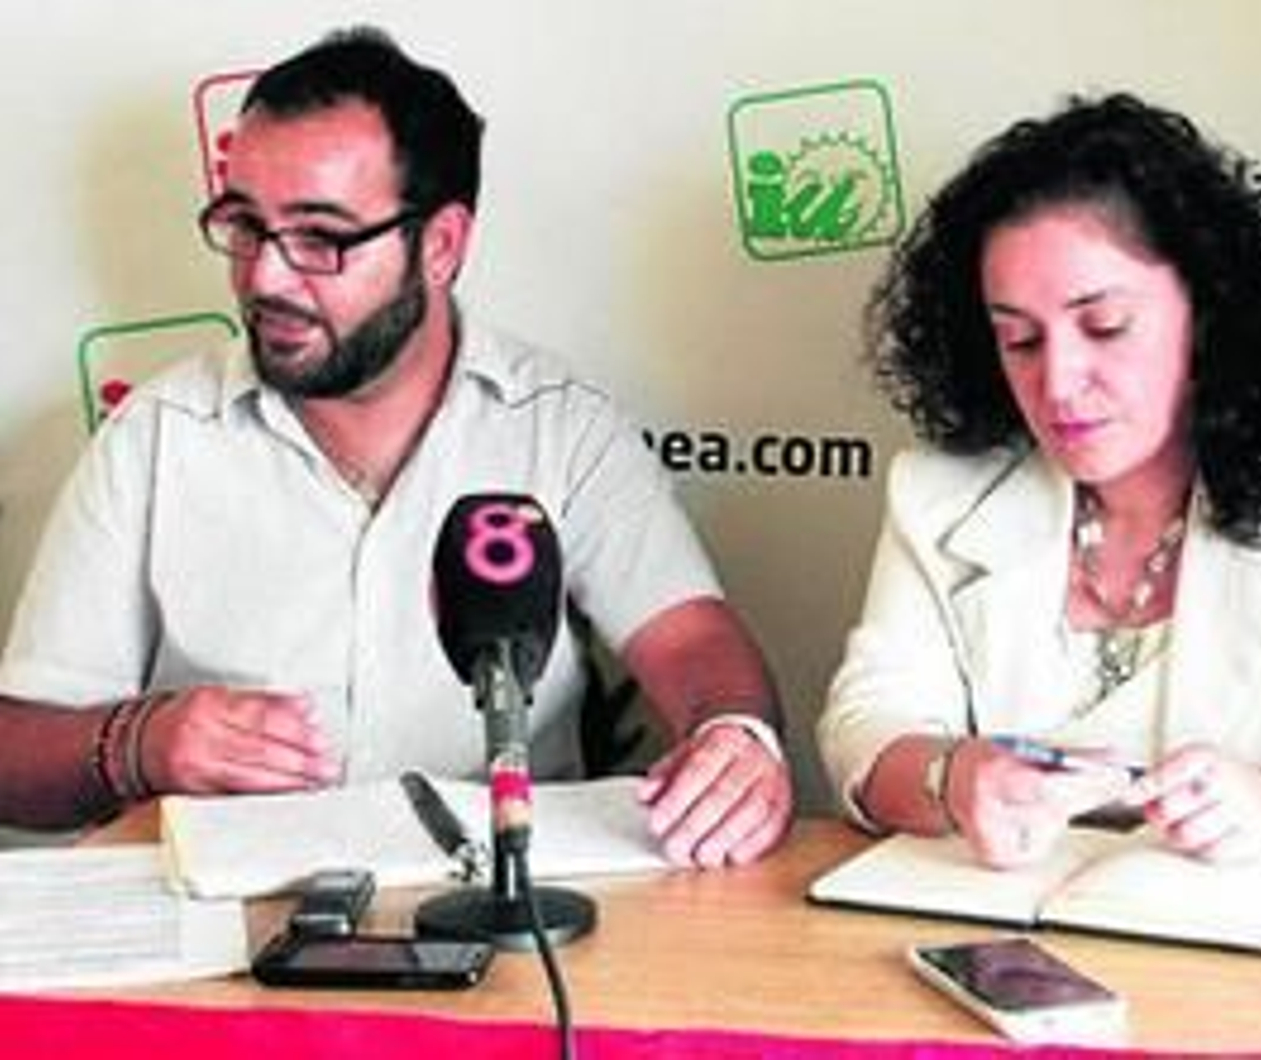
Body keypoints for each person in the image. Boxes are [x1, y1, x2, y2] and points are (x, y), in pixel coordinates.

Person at [0, 27, 791, 868]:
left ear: (441, 245)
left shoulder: (559, 428)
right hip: (230, 945)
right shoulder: (155, 440)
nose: (265, 277)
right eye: (244, 226)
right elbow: (16, 759)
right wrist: (140, 741)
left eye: (320, 237)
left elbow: (695, 648)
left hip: (506, 932)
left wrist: (734, 742)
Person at [817, 92, 1261, 870]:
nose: (1060, 382)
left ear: (1205, 308)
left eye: (1104, 327)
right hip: (1002, 951)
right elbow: (868, 721)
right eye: (1020, 340)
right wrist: (950, 777)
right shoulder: (940, 492)